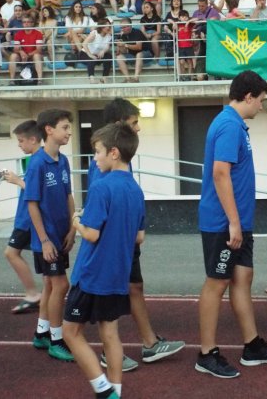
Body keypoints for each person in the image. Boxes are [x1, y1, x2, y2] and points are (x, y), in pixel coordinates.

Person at [87, 98, 185, 372]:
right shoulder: (102, 164)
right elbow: (100, 202)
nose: (138, 128)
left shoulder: (121, 161)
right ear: (118, 125)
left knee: (134, 287)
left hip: (127, 238)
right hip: (113, 243)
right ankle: (112, 351)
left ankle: (149, 343)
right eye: (133, 123)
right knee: (110, 292)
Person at [196, 70, 267, 379]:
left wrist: (239, 223)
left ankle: (252, 345)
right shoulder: (229, 125)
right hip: (224, 223)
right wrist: (233, 222)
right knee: (216, 283)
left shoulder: (235, 125)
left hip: (239, 223)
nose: (261, 106)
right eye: (260, 100)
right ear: (248, 97)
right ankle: (206, 354)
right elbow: (220, 173)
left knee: (243, 278)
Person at [64, 123, 145, 399]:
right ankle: (117, 392)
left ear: (113, 153)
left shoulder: (101, 187)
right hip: (117, 275)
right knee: (110, 333)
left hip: (92, 273)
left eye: (97, 152)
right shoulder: (136, 190)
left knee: (70, 332)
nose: (94, 158)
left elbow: (92, 233)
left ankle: (103, 390)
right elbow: (139, 237)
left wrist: (76, 222)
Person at [25, 108, 76, 362]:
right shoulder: (36, 163)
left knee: (49, 284)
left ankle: (41, 333)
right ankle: (58, 340)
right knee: (61, 285)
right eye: (65, 127)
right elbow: (32, 203)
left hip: (61, 234)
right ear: (49, 130)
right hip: (46, 239)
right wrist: (44, 240)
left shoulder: (63, 161)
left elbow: (68, 195)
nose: (69, 132)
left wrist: (72, 228)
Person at [3, 120, 42, 314]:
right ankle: (35, 294)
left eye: (21, 140)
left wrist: (18, 181)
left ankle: (33, 294)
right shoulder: (34, 159)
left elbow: (38, 191)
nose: (19, 144)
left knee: (11, 253)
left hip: (27, 219)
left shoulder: (38, 160)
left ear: (33, 140)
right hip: (25, 217)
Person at [9, 15, 44, 85]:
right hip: (22, 56)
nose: (26, 24)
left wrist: (28, 55)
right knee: (13, 56)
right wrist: (21, 52)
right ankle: (12, 80)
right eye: (24, 22)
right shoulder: (18, 34)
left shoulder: (38, 33)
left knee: (37, 56)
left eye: (28, 22)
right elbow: (16, 49)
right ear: (22, 24)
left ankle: (40, 80)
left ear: (32, 23)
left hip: (34, 55)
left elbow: (39, 49)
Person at [115, 17, 150, 83]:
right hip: (133, 54)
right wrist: (120, 46)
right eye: (121, 28)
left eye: (124, 27)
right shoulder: (123, 35)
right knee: (119, 57)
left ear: (130, 26)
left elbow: (139, 48)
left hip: (146, 53)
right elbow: (124, 51)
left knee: (139, 54)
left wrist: (125, 45)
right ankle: (127, 79)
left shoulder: (137, 32)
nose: (122, 29)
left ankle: (136, 79)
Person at [80, 19, 112, 84]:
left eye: (109, 26)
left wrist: (103, 51)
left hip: (97, 55)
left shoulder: (108, 36)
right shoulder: (95, 33)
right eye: (107, 26)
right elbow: (84, 44)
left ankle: (104, 78)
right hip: (85, 54)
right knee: (91, 59)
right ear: (102, 27)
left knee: (109, 56)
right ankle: (92, 80)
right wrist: (90, 54)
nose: (108, 28)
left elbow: (107, 47)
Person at [174, 10, 194, 80]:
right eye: (182, 16)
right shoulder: (177, 24)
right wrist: (173, 23)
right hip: (180, 46)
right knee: (181, 62)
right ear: (179, 18)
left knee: (189, 61)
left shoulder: (190, 24)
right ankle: (182, 76)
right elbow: (168, 19)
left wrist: (188, 22)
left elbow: (197, 19)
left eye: (186, 16)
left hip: (189, 45)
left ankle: (189, 76)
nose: (184, 18)